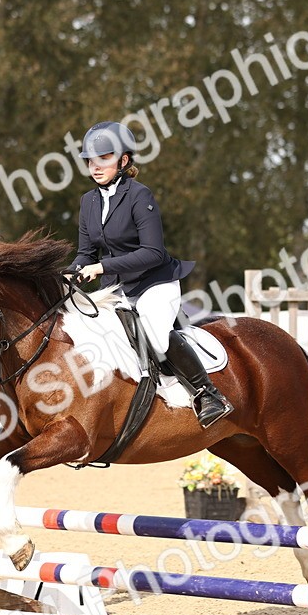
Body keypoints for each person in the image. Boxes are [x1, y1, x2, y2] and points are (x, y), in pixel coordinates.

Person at [67, 121, 233, 428]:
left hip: (155, 282)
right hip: (115, 288)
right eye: (90, 160)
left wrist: (101, 267)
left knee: (155, 337)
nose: (95, 166)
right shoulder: (88, 201)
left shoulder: (140, 195)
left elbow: (153, 252)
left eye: (103, 158)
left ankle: (208, 393)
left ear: (124, 160)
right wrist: (73, 272)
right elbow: (86, 254)